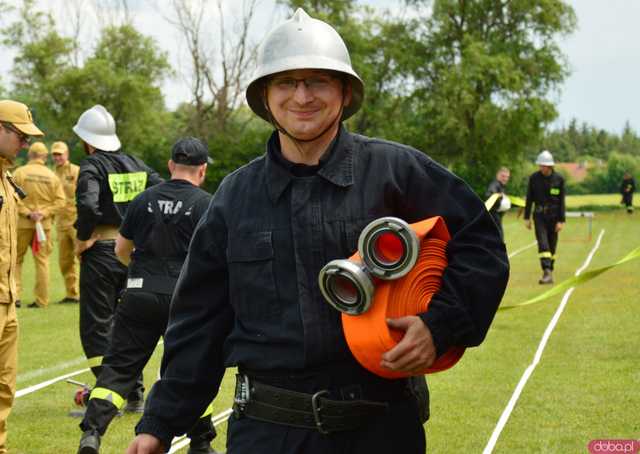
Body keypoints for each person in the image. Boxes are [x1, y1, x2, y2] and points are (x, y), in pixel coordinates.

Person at [127, 9, 509, 454]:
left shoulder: (396, 172)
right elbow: (198, 320)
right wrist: (159, 423)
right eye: (286, 83)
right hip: (266, 434)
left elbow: (481, 248)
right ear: (266, 97)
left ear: (345, 93)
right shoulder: (235, 196)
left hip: (381, 430)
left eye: (318, 82)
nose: (302, 96)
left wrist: (440, 325)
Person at [77, 138, 220, 454]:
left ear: (170, 166)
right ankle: (200, 442)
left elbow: (121, 249)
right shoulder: (207, 203)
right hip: (185, 300)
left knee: (119, 368)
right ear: (203, 170)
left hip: (139, 294)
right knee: (188, 368)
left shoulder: (144, 200)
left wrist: (140, 276)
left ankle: (92, 434)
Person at [73, 104, 163, 412]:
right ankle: (134, 392)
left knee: (97, 326)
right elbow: (163, 193)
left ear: (87, 141)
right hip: (135, 255)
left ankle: (108, 391)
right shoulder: (136, 163)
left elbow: (87, 204)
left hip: (101, 253)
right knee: (130, 323)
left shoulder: (91, 165)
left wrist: (83, 236)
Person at [0, 99, 44, 453]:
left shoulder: (7, 176)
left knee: (4, 386)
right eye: (20, 135)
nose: (25, 143)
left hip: (7, 297)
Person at [14, 141, 66, 308]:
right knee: (42, 262)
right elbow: (61, 201)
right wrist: (43, 213)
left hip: (22, 224)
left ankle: (15, 297)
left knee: (16, 261)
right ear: (44, 157)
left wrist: (28, 212)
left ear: (29, 155)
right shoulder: (52, 176)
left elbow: (11, 198)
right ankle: (42, 300)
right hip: (43, 227)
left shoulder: (19, 173)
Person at [524, 150, 566, 285]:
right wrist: (526, 217)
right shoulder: (534, 178)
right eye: (540, 165)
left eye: (543, 165)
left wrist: (561, 220)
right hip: (539, 216)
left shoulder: (559, 179)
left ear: (550, 166)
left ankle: (550, 270)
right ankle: (546, 271)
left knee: (552, 246)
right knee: (543, 243)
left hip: (554, 217)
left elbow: (562, 202)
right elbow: (529, 198)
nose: (541, 167)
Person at [52, 141, 81, 303]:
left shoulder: (76, 171)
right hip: (61, 223)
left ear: (67, 154)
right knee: (65, 261)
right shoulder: (52, 174)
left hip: (76, 221)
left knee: (83, 258)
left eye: (60, 154)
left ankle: (88, 293)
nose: (57, 157)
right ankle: (72, 294)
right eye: (55, 154)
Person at [485, 167, 511, 239]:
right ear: (498, 175)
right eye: (503, 176)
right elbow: (489, 195)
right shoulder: (495, 184)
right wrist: (499, 196)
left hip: (497, 217)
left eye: (507, 177)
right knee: (498, 237)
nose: (505, 179)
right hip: (492, 217)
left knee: (498, 237)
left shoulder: (502, 186)